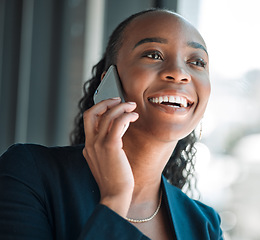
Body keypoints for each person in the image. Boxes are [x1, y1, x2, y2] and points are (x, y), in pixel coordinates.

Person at [0, 9, 223, 240]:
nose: (178, 73)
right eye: (153, 55)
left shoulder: (205, 226)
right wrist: (115, 200)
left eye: (197, 62)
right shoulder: (29, 174)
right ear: (109, 81)